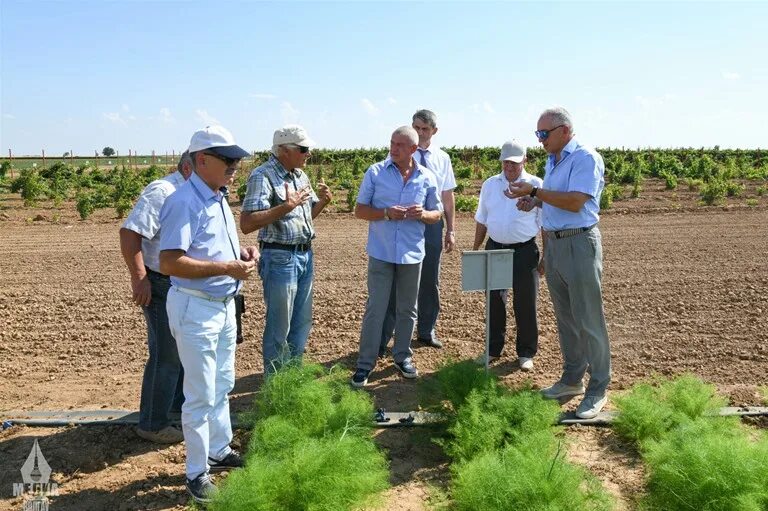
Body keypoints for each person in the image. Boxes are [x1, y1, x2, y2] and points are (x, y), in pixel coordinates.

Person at [159, 125, 259, 504]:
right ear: (202, 160)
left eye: (237, 159)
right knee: (199, 394)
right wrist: (226, 269)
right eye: (227, 159)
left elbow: (214, 250)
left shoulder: (218, 197)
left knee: (223, 383)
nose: (236, 165)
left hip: (222, 305)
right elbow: (170, 262)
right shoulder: (184, 201)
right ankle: (196, 472)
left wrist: (244, 255)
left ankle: (219, 450)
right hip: (196, 307)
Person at [507, 107, 610, 420]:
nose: (539, 140)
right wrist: (535, 201)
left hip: (580, 243)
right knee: (566, 319)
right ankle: (571, 381)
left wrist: (536, 190)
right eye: (537, 134)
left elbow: (577, 200)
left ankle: (598, 388)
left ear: (564, 130)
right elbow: (557, 198)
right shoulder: (554, 160)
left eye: (544, 134)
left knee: (588, 319)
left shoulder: (585, 158)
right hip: (556, 245)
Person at [351, 126, 442, 387]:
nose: (394, 148)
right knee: (376, 309)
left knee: (407, 309)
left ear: (413, 149)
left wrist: (422, 214)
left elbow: (436, 215)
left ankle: (402, 357)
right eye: (392, 143)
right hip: (381, 252)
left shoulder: (426, 177)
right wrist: (386, 213)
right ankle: (365, 364)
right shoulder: (376, 172)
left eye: (400, 145)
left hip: (412, 253)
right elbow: (359, 210)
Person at [240, 125, 332, 374]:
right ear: (283, 150)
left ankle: (292, 380)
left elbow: (305, 218)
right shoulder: (263, 175)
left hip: (304, 254)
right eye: (303, 149)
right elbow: (247, 223)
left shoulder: (300, 176)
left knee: (301, 324)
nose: (308, 154)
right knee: (279, 327)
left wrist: (322, 203)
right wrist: (285, 207)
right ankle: (276, 385)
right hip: (279, 257)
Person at [119, 151, 192, 444]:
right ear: (189, 167)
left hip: (183, 284)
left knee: (182, 352)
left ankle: (172, 407)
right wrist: (139, 278)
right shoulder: (163, 191)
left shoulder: (192, 192)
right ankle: (152, 423)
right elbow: (129, 233)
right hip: (161, 283)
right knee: (166, 355)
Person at [380, 109, 456, 353]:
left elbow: (447, 195)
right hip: (402, 224)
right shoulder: (396, 156)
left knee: (430, 277)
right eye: (416, 127)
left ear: (434, 131)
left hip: (432, 223)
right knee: (395, 278)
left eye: (425, 128)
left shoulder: (442, 158)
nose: (420, 133)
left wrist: (450, 230)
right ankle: (384, 336)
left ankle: (426, 330)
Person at [472, 140, 543, 371]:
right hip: (495, 248)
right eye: (505, 163)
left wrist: (546, 257)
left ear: (525, 161)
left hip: (525, 251)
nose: (509, 168)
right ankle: (493, 349)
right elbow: (482, 219)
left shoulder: (536, 185)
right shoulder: (490, 185)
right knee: (494, 301)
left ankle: (526, 352)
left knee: (525, 302)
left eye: (514, 163)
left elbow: (545, 225)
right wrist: (476, 250)